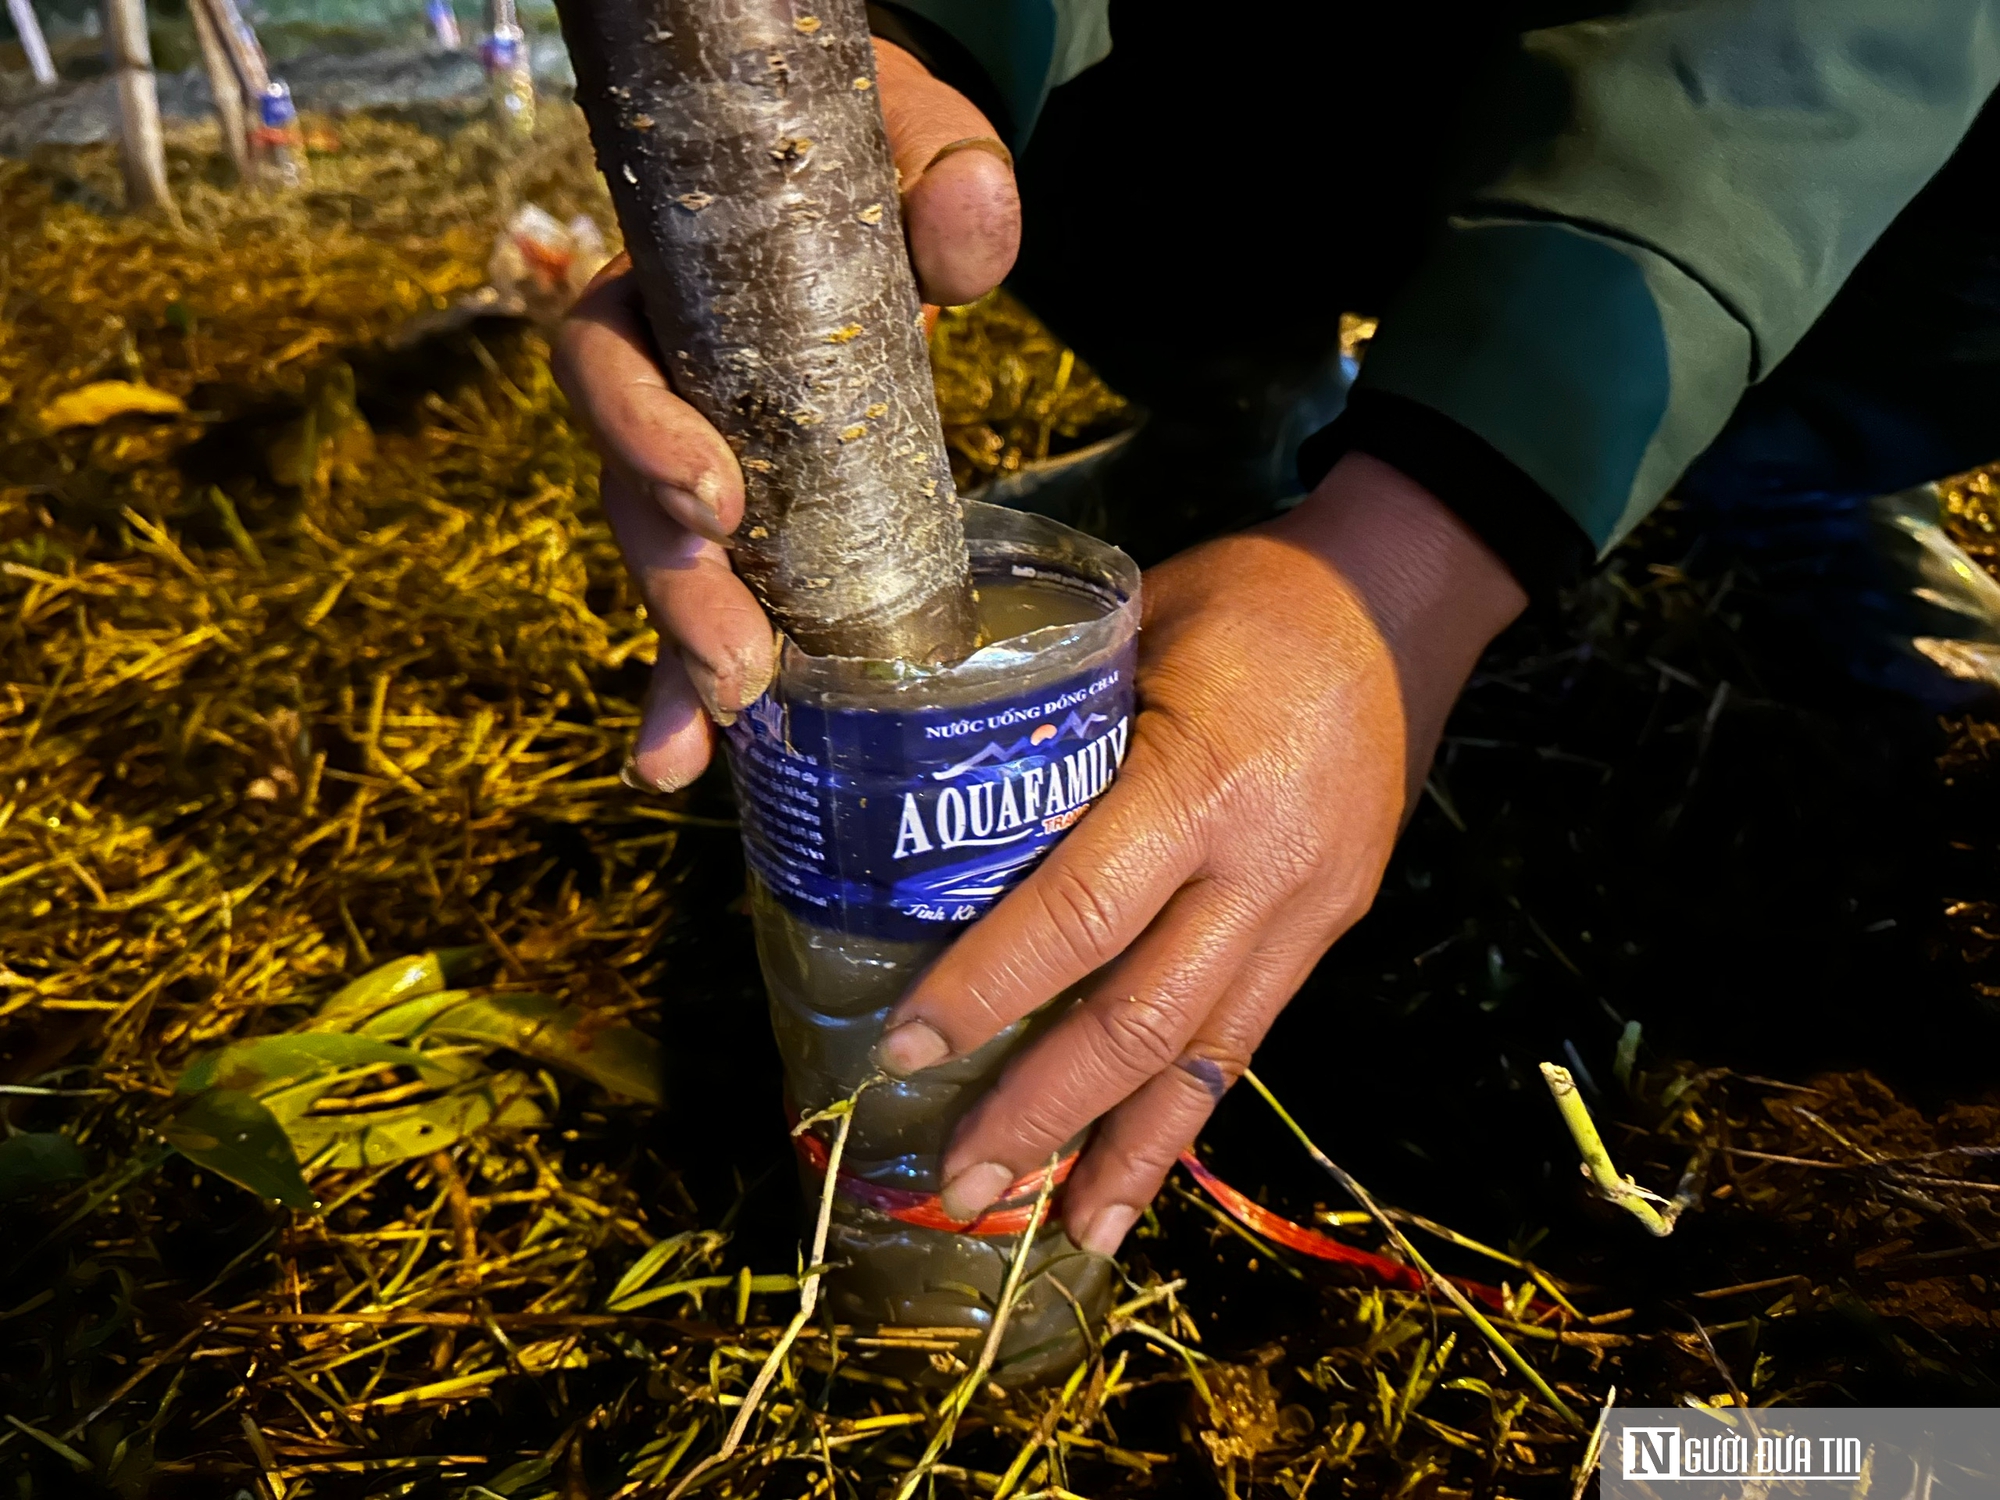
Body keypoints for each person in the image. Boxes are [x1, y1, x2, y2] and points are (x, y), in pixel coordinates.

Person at [556, 1, 2000, 1261]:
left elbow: (1824, 43)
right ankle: (1239, 420)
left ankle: (1771, 457)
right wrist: (883, 68)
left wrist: (1416, 554)